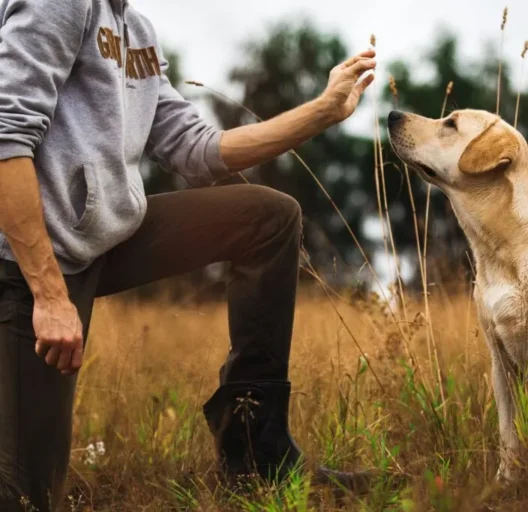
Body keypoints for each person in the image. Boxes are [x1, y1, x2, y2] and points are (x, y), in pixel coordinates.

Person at [0, 0, 377, 509]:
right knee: (28, 495)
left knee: (266, 218)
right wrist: (48, 294)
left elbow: (195, 150)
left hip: (101, 240)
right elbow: (5, 137)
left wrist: (323, 111)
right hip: (24, 263)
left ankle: (255, 454)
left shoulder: (136, 30)